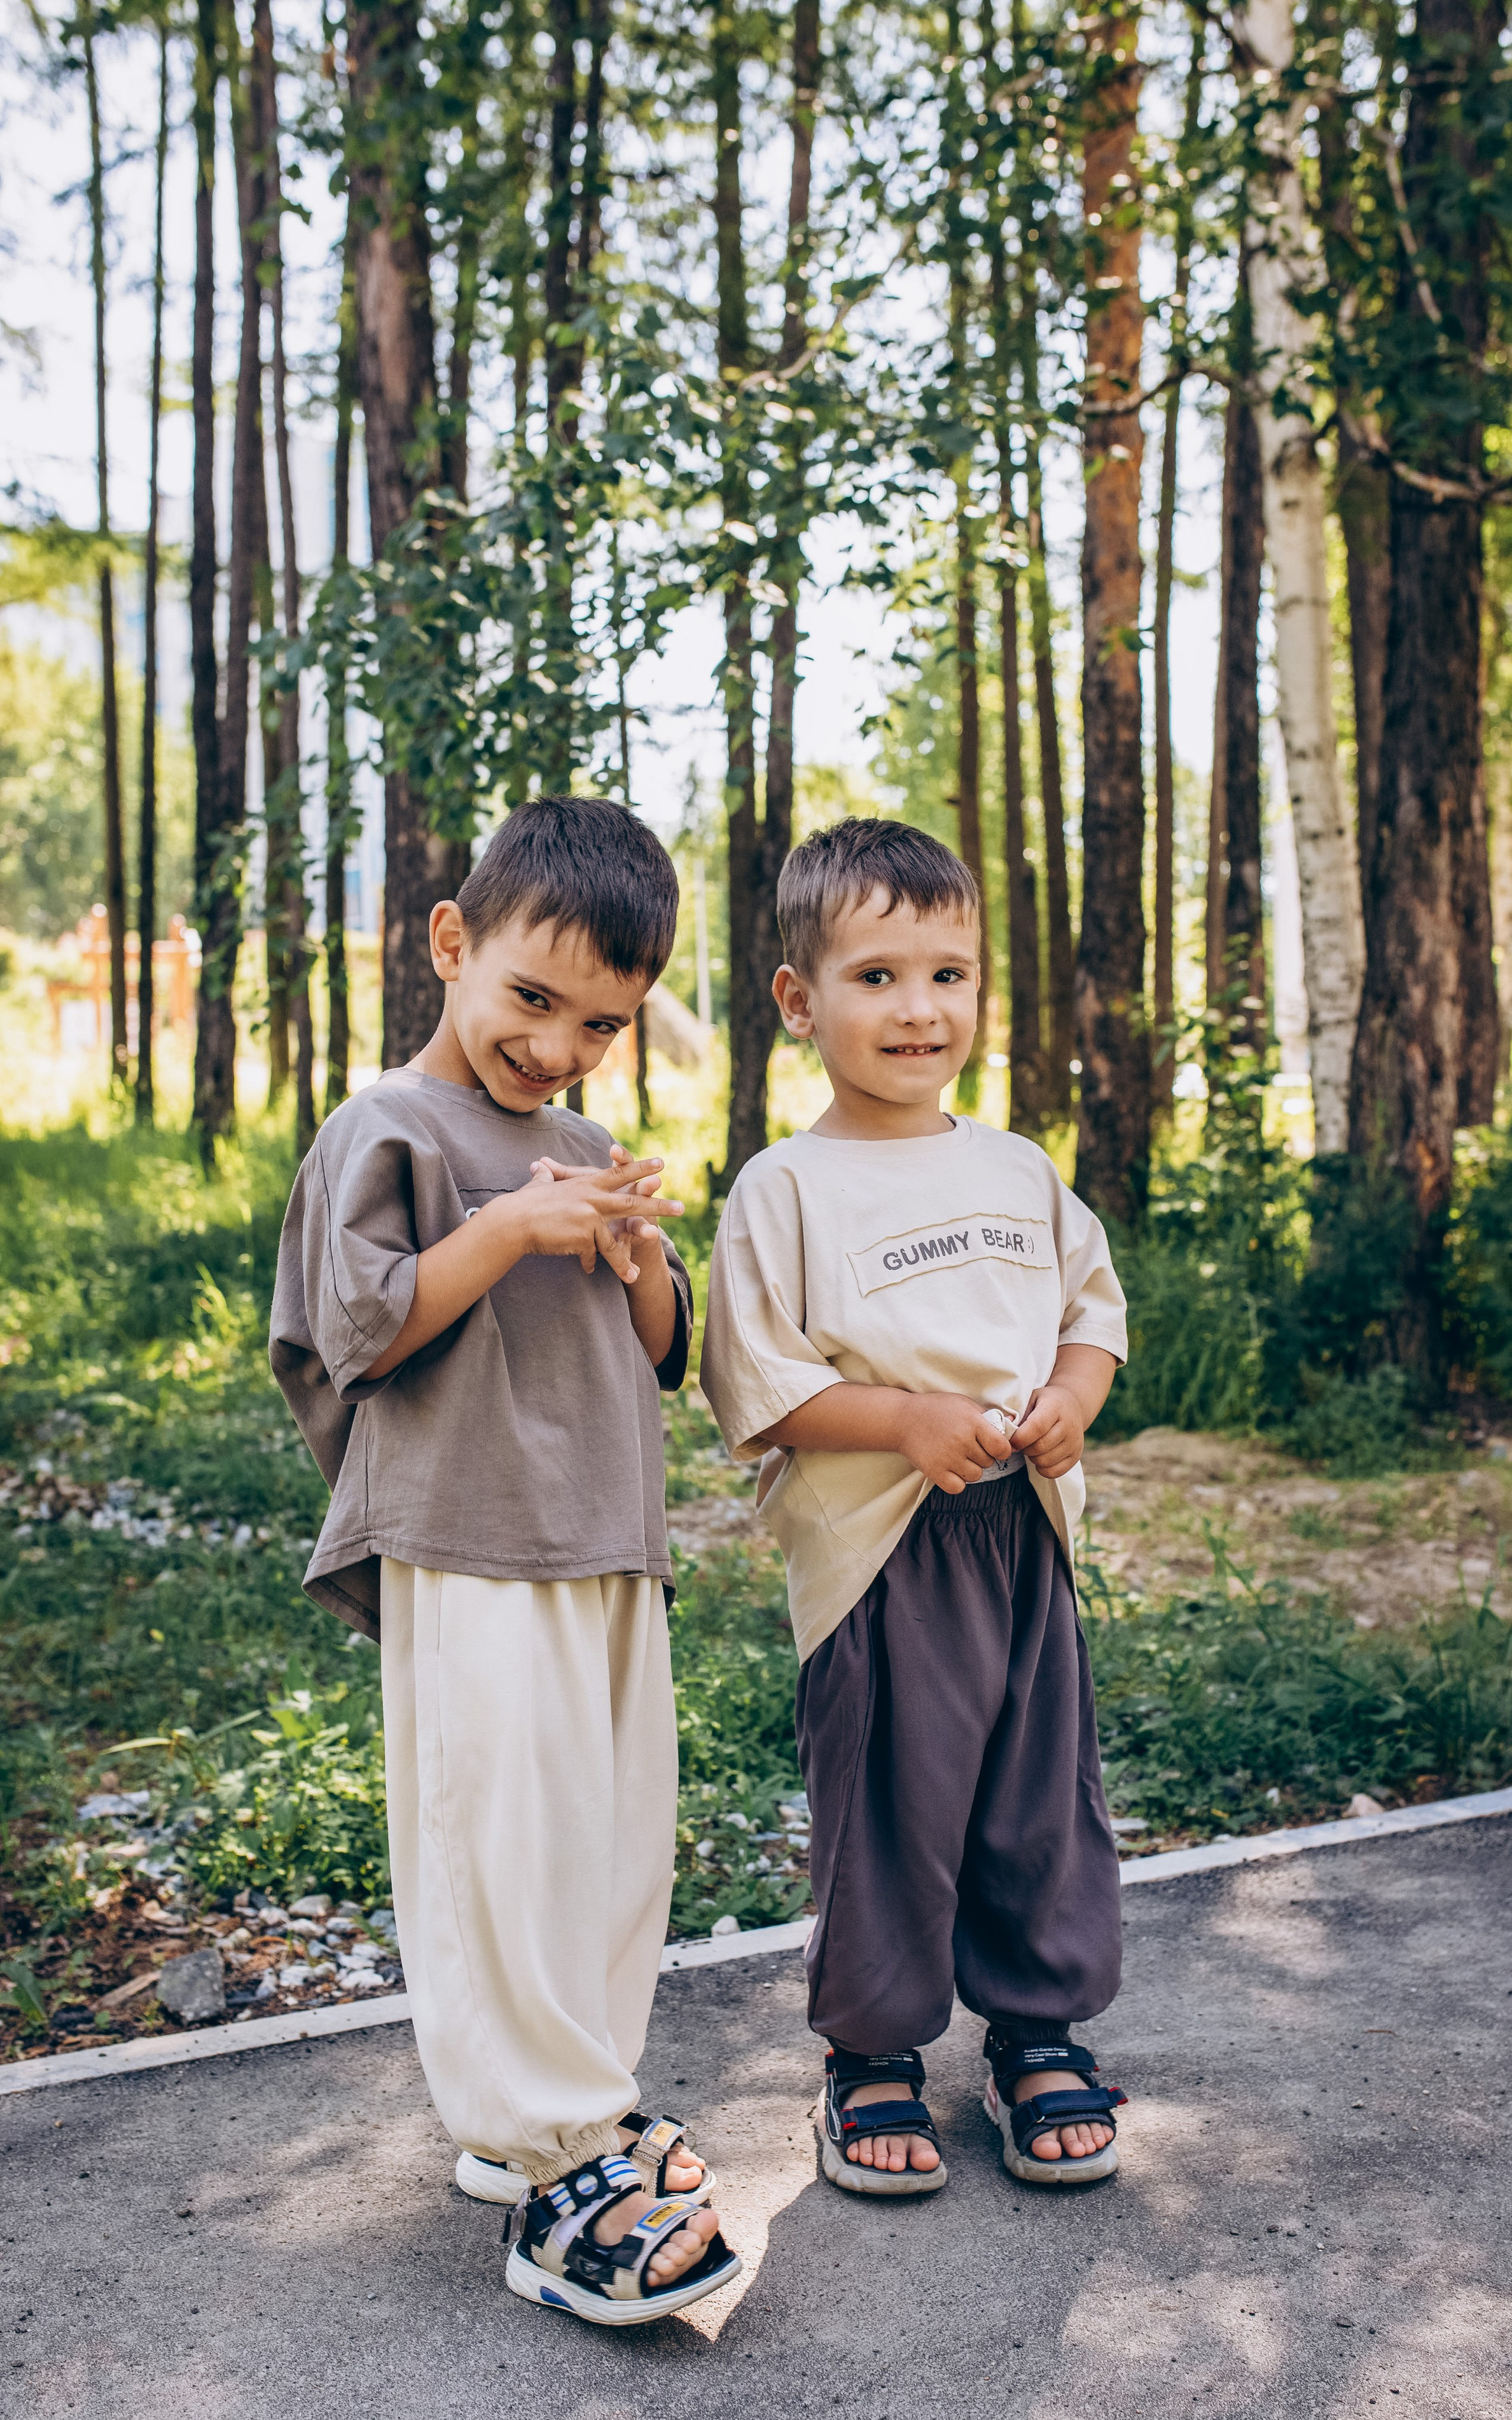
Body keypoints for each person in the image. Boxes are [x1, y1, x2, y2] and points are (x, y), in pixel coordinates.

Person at [270, 797, 740, 2323]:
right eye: (531, 1001)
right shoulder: (387, 1128)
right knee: (500, 1841)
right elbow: (362, 1329)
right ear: (452, 943)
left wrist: (635, 1259)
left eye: (599, 1023)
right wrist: (512, 1229)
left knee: (607, 1842)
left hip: (602, 1536)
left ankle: (564, 2115)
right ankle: (553, 2180)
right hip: (469, 1536)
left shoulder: (585, 1145)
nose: (556, 1049)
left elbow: (663, 1355)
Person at [700, 816, 1130, 2196]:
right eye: (876, 975)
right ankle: (871, 2055)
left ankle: (1035, 2029)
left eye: (946, 975)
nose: (916, 1008)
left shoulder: (1013, 1168)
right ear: (798, 999)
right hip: (878, 1552)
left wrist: (1070, 1393)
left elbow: (1088, 1311)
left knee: (1034, 1793)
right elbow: (758, 1382)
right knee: (889, 1800)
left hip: (1021, 1536)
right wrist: (902, 1421)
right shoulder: (784, 1189)